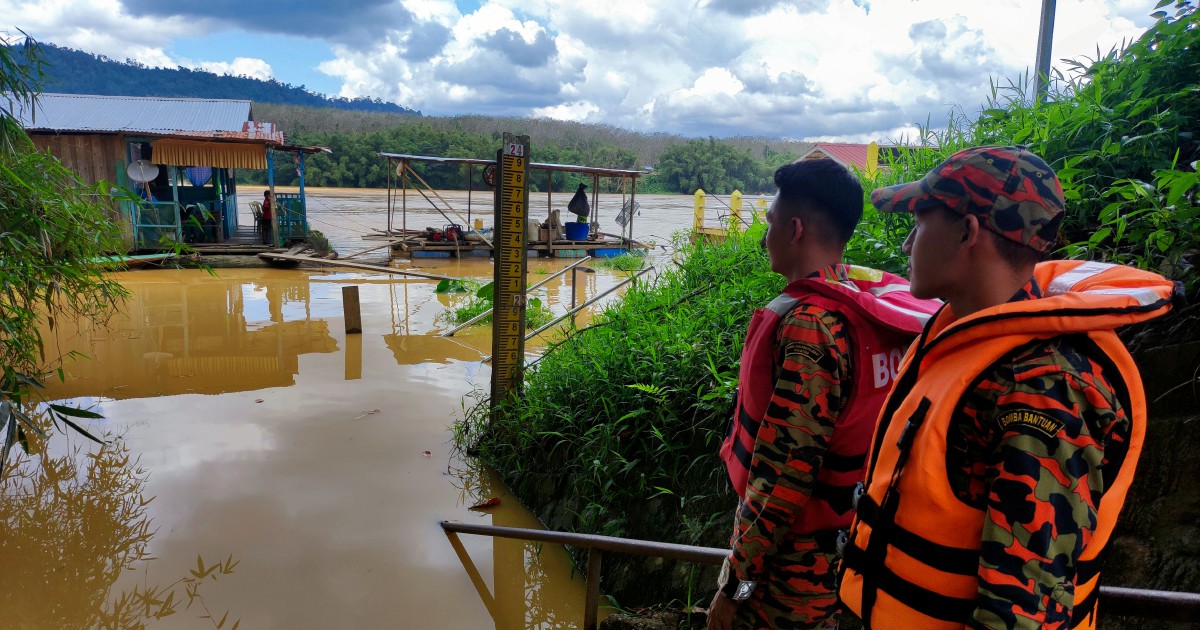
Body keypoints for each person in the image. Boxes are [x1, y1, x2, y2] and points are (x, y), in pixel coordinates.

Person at [837, 146, 1180, 629]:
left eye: (919, 220)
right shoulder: (964, 333)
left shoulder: (1043, 386)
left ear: (967, 232)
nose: (908, 241)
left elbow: (1024, 613)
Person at [709, 159, 940, 630]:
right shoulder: (865, 306)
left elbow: (782, 477)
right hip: (850, 547)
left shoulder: (810, 327)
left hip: (791, 577)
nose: (763, 236)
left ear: (794, 229)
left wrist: (735, 585)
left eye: (770, 222)